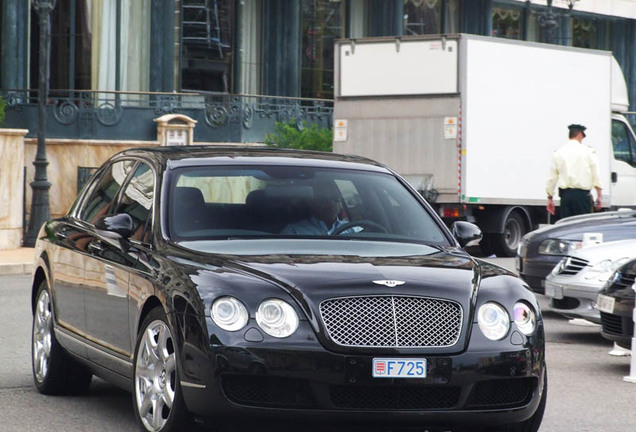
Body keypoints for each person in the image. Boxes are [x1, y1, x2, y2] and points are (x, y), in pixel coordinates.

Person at [546, 124, 603, 218]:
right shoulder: (588, 152)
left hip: (566, 197)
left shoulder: (559, 152)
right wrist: (599, 196)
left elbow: (552, 178)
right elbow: (595, 175)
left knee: (567, 228)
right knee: (583, 226)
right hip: (582, 196)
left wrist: (550, 197)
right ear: (580, 134)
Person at [281, 180, 352, 235]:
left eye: (335, 197)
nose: (331, 203)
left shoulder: (353, 228)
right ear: (312, 202)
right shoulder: (293, 231)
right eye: (325, 199)